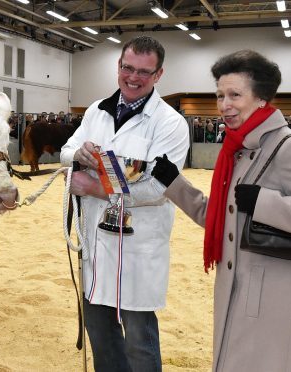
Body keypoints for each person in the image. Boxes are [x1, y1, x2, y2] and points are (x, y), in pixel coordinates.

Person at [151, 50, 291, 372]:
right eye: (220, 95)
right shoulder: (238, 149)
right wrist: (176, 184)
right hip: (235, 289)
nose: (224, 104)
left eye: (235, 94)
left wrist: (264, 203)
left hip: (275, 297)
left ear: (261, 99)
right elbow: (223, 221)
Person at [60, 35, 189, 372]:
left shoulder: (171, 124)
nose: (133, 77)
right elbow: (65, 151)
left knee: (139, 344)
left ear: (159, 74)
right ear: (118, 65)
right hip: (95, 245)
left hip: (138, 250)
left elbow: (160, 188)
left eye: (144, 72)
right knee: (101, 336)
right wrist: (78, 154)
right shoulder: (95, 110)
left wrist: (92, 186)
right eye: (127, 68)